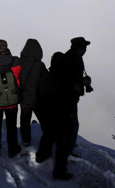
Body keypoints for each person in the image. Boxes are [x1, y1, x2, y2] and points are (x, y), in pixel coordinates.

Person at [35, 52, 78, 181]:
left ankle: (41, 155)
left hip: (47, 113)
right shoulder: (65, 80)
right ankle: (59, 172)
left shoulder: (45, 77)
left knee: (48, 135)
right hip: (62, 115)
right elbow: (72, 99)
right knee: (62, 145)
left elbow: (40, 94)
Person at [63, 36, 92, 152]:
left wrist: (85, 80)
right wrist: (81, 82)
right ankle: (67, 149)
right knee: (72, 124)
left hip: (70, 96)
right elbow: (69, 78)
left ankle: (67, 147)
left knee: (71, 124)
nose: (85, 50)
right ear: (79, 48)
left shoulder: (74, 57)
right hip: (68, 97)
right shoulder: (72, 59)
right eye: (84, 47)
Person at [18, 38, 47, 146]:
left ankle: (26, 140)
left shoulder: (19, 62)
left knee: (24, 120)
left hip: (24, 97)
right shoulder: (40, 65)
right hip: (37, 97)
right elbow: (45, 80)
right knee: (44, 119)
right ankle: (48, 138)